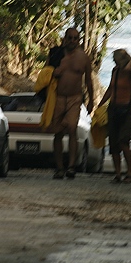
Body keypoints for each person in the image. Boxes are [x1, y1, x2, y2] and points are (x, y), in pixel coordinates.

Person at [50, 27, 94, 179]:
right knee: (58, 133)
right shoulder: (56, 54)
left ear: (79, 40)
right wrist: (54, 73)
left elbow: (88, 80)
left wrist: (91, 101)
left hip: (75, 98)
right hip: (58, 98)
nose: (72, 41)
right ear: (65, 38)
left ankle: (71, 167)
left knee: (72, 128)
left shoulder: (83, 58)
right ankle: (59, 168)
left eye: (75, 38)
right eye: (70, 38)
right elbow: (46, 74)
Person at [98, 49, 131, 183]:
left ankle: (130, 173)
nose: (114, 61)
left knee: (123, 141)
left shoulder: (130, 74)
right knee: (114, 142)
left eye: (116, 59)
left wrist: (127, 61)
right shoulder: (115, 71)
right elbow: (110, 88)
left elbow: (129, 72)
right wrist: (100, 104)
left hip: (127, 109)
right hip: (114, 108)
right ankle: (118, 173)